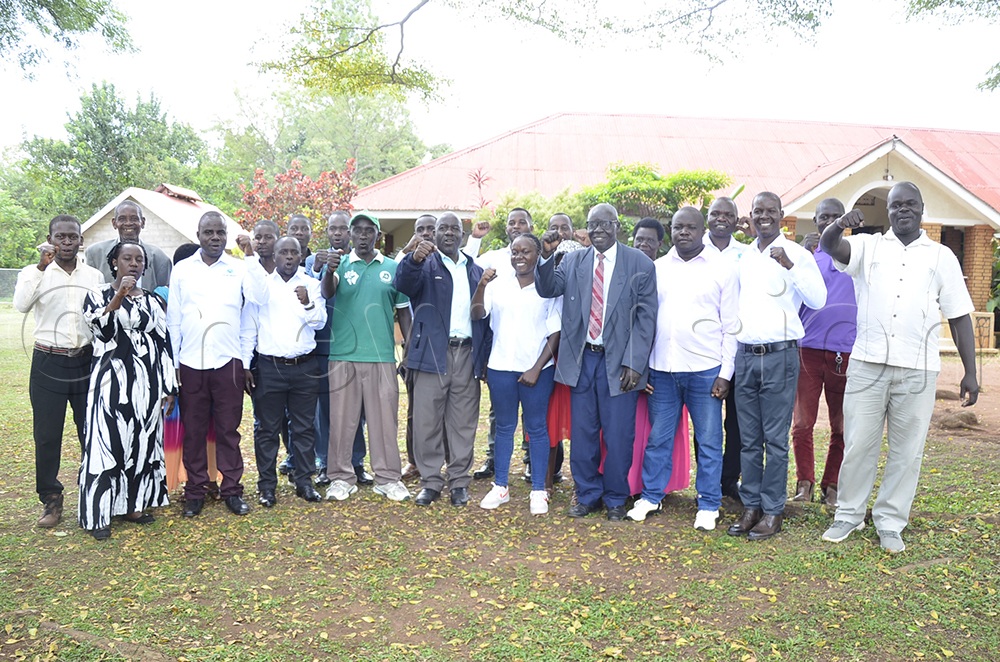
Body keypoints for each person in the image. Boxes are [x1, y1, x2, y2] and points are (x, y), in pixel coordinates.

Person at [820, 182, 978, 554]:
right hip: (867, 364)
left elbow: (958, 316)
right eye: (895, 205)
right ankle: (849, 514)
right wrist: (839, 224)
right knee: (859, 443)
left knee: (907, 451)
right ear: (887, 211)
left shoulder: (942, 257)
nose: (902, 210)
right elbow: (830, 247)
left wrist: (971, 372)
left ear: (922, 208)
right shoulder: (867, 247)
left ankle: (890, 521)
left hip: (918, 370)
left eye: (910, 204)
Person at [536, 203, 658, 520]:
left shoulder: (640, 264)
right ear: (586, 229)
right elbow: (547, 288)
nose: (599, 229)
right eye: (593, 224)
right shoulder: (573, 260)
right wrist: (546, 256)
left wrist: (634, 362)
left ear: (617, 226)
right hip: (582, 360)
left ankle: (616, 498)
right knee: (584, 434)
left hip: (620, 363)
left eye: (605, 223)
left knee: (618, 435)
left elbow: (646, 319)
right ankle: (587, 494)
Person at [627, 208, 738, 530]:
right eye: (678, 227)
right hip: (662, 370)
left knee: (709, 440)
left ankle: (708, 503)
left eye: (691, 227)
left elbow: (731, 326)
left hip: (705, 370)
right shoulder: (656, 269)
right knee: (658, 438)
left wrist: (725, 374)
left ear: (703, 230)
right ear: (670, 231)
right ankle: (650, 496)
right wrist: (644, 367)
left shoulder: (723, 269)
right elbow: (644, 321)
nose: (684, 233)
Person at [726, 192, 826, 541]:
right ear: (750, 217)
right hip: (746, 354)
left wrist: (791, 265)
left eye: (771, 211)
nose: (764, 216)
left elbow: (818, 299)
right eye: (758, 211)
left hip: (780, 356)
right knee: (749, 441)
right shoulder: (743, 257)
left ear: (782, 216)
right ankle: (751, 505)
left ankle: (772, 510)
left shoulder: (797, 254)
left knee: (775, 440)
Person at [78, 241, 177, 539]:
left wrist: (169, 386)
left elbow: (164, 344)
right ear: (114, 263)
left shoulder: (153, 301)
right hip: (111, 382)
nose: (133, 264)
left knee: (141, 443)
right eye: (127, 258)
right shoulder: (97, 295)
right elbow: (103, 331)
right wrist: (119, 295)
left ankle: (134, 506)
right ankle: (99, 515)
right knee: (108, 444)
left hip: (146, 384)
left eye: (139, 259)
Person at [394, 212, 491, 507]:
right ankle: (431, 481)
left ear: (462, 235)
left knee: (463, 422)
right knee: (427, 421)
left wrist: (482, 359)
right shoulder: (425, 264)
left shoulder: (475, 269)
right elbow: (403, 284)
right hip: (431, 354)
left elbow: (484, 318)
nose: (448, 232)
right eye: (442, 228)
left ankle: (459, 481)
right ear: (434, 233)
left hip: (466, 353)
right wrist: (413, 259)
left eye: (454, 228)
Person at [14, 215, 104, 528]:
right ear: (50, 239)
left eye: (72, 237)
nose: (66, 243)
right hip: (48, 362)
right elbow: (22, 305)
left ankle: (92, 493)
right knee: (47, 435)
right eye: (60, 237)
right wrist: (40, 268)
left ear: (81, 241)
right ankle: (51, 499)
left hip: (85, 362)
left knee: (90, 431)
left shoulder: (93, 276)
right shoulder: (34, 273)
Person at [321, 213, 413, 502]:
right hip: (343, 355)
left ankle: (388, 478)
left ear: (377, 234)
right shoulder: (339, 263)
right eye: (357, 230)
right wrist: (327, 271)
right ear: (349, 234)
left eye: (368, 230)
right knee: (342, 420)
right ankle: (340, 477)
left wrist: (407, 350)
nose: (362, 235)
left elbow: (404, 311)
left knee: (384, 420)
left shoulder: (392, 267)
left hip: (382, 356)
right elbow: (328, 292)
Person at [167, 211, 251, 518]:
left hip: (228, 360)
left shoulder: (239, 268)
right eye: (208, 233)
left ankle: (231, 490)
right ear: (198, 235)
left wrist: (244, 360)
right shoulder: (182, 270)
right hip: (190, 360)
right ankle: (196, 491)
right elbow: (173, 319)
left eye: (220, 233)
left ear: (226, 236)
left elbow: (249, 315)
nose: (214, 238)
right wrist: (174, 363)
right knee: (194, 431)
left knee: (229, 430)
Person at [472, 233, 560, 514]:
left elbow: (555, 332)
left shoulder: (548, 287)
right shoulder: (499, 286)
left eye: (526, 251)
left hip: (537, 369)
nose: (519, 257)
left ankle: (538, 490)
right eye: (514, 252)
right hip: (500, 367)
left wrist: (536, 367)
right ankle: (501, 486)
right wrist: (482, 285)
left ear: (537, 255)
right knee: (505, 427)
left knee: (536, 428)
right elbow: (477, 314)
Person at [243, 237, 326, 507]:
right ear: (274, 256)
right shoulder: (262, 288)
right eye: (283, 252)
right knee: (266, 429)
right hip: (270, 367)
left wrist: (308, 304)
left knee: (303, 428)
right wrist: (245, 365)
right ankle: (267, 486)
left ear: (302, 255)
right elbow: (249, 329)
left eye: (294, 252)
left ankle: (304, 481)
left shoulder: (312, 285)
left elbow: (320, 323)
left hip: (304, 366)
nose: (289, 257)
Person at [614, 218, 690, 500]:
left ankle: (660, 486)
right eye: (638, 240)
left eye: (649, 241)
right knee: (627, 430)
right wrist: (636, 366)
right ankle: (630, 484)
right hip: (630, 368)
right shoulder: (624, 274)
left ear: (661, 244)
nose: (643, 245)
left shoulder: (666, 272)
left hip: (664, 367)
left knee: (660, 432)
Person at [790, 198, 857, 507]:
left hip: (845, 352)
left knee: (841, 425)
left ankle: (832, 485)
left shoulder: (855, 257)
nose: (829, 221)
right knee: (803, 423)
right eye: (823, 217)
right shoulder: (804, 260)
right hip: (808, 350)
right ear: (815, 221)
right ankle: (804, 483)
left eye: (835, 216)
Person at [464, 208, 532, 481]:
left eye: (522, 222)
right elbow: (464, 263)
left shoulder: (537, 257)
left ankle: (529, 460)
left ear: (531, 225)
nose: (516, 226)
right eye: (511, 223)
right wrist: (476, 238)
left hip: (531, 341)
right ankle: (493, 459)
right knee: (498, 408)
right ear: (506, 228)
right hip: (498, 341)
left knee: (531, 409)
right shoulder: (493, 258)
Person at [307, 211, 372, 487]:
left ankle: (356, 462)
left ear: (351, 232)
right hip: (323, 347)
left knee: (355, 410)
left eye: (342, 228)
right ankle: (324, 462)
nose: (337, 233)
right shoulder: (315, 262)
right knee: (325, 411)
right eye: (332, 228)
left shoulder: (357, 262)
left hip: (353, 347)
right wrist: (318, 269)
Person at [703, 197, 746, 503]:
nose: (721, 218)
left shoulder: (747, 255)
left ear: (736, 219)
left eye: (727, 214)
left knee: (737, 422)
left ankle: (728, 480)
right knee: (705, 423)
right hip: (702, 350)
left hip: (739, 347)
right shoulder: (691, 249)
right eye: (715, 213)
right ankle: (707, 482)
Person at [398, 213, 440, 482]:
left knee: (446, 410)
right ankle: (414, 461)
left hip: (445, 346)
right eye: (420, 229)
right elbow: (403, 310)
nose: (426, 233)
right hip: (416, 347)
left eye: (430, 229)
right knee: (416, 410)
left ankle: (442, 461)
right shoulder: (407, 264)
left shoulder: (447, 262)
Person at [85, 200, 172, 290]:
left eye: (134, 219)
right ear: (114, 223)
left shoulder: (159, 258)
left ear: (142, 222)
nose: (128, 223)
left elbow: (164, 297)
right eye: (122, 219)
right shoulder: (95, 254)